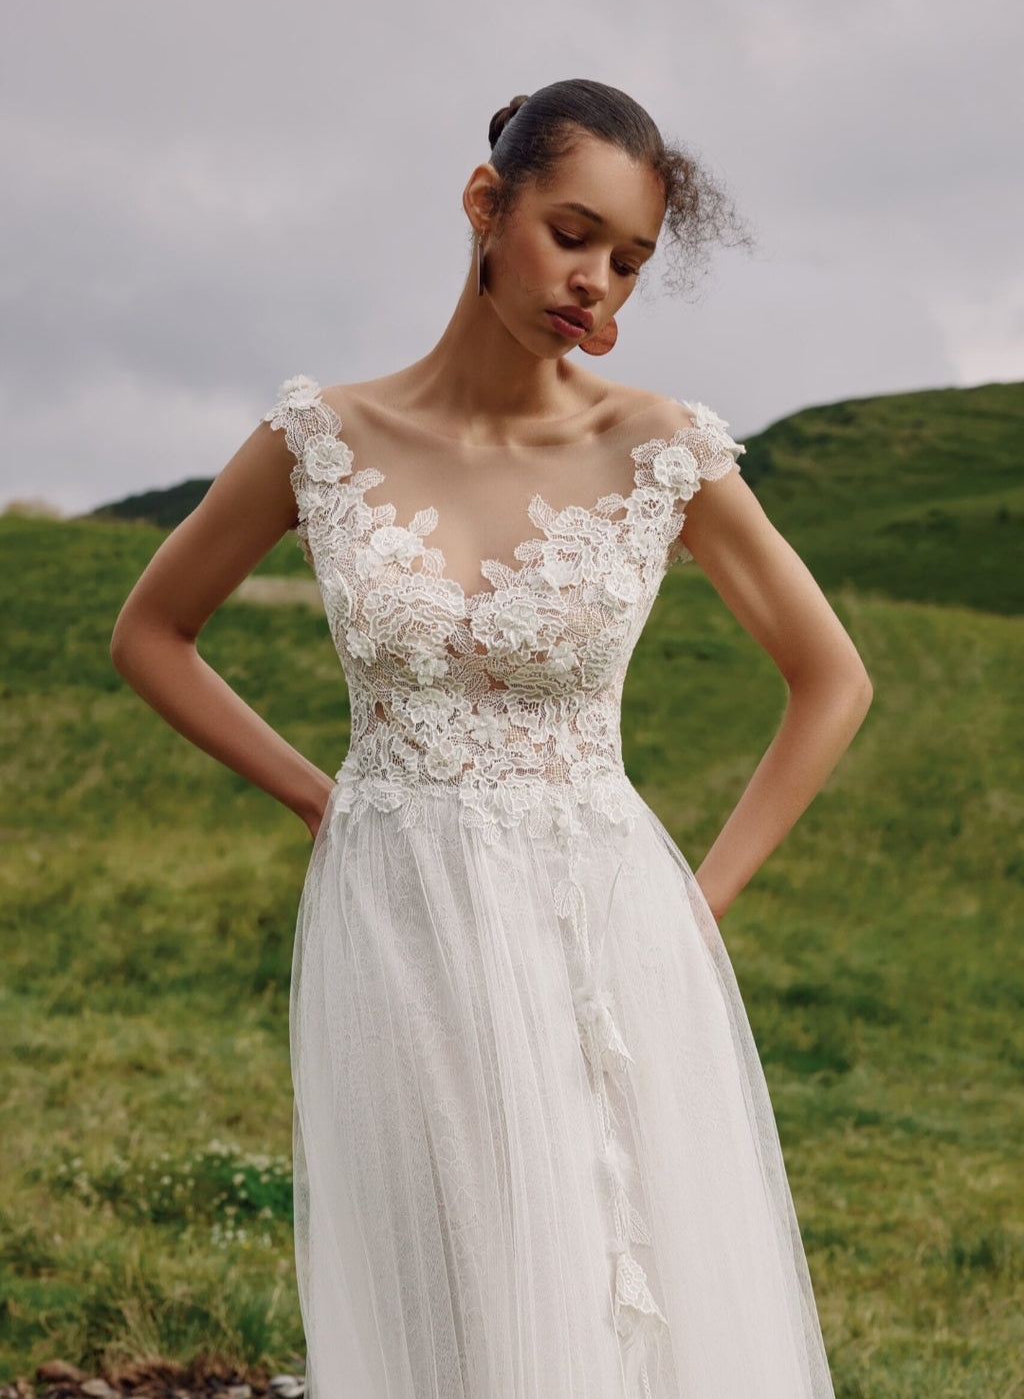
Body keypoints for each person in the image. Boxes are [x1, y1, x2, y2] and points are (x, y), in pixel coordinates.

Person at [111, 79, 872, 1399]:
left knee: (606, 1291)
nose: (597, 283)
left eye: (629, 261)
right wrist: (317, 797)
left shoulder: (661, 449)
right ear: (486, 203)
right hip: (396, 919)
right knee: (449, 1290)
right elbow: (151, 632)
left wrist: (696, 908)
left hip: (598, 931)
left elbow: (833, 680)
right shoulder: (323, 438)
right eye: (573, 235)